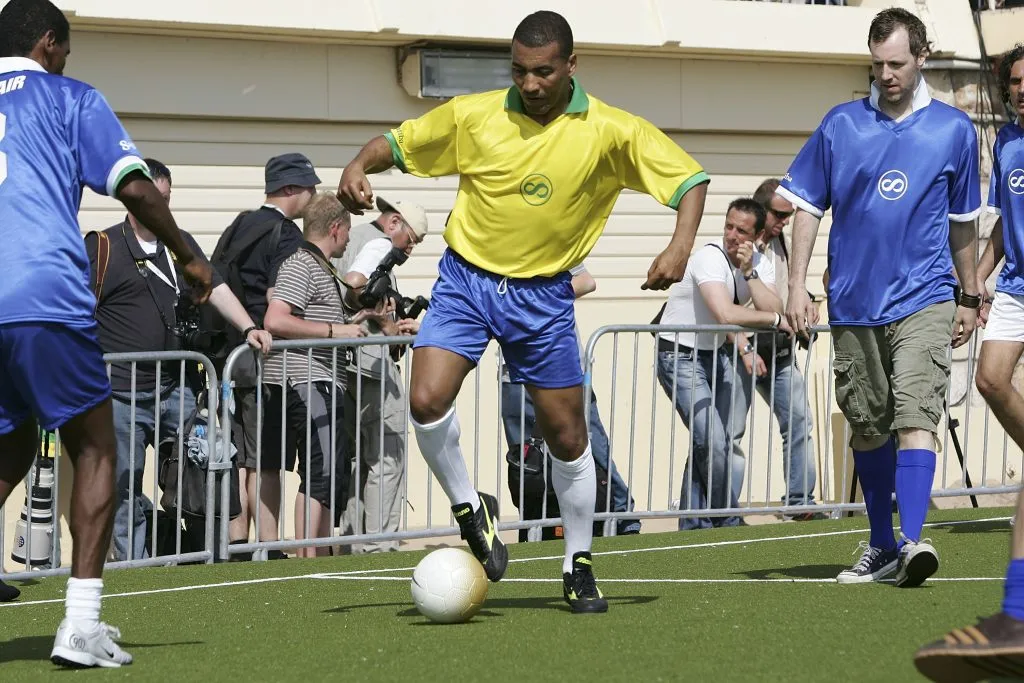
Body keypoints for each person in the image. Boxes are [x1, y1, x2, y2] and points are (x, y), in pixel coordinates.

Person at [337, 10, 709, 613]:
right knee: (426, 399)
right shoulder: (475, 115)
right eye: (519, 71)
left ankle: (578, 562)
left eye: (543, 72)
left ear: (570, 66)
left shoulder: (612, 131)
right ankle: (470, 508)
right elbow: (398, 144)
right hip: (466, 280)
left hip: (542, 297)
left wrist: (679, 246)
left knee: (566, 438)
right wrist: (358, 165)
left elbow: (690, 180)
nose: (530, 84)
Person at [0, 0, 213, 667]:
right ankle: (81, 624)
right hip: (42, 296)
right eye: (66, 50)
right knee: (96, 448)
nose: (67, 60)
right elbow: (137, 190)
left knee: (7, 449)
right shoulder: (68, 97)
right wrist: (189, 254)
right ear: (47, 44)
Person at [782, 8, 982, 587]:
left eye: (897, 63)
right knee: (868, 424)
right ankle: (881, 544)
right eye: (877, 65)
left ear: (922, 57)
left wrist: (969, 295)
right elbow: (806, 208)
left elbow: (963, 223)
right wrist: (796, 286)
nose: (887, 74)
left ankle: (915, 540)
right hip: (852, 299)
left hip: (925, 295)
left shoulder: (953, 131)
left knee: (917, 410)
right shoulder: (840, 124)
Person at [86, 158, 271, 561]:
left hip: (178, 388)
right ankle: (134, 568)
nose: (161, 208)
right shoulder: (103, 246)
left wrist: (247, 327)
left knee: (207, 467)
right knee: (123, 485)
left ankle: (204, 556)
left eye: (166, 200)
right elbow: (76, 314)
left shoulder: (180, 243)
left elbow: (216, 286)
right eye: (154, 200)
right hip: (120, 392)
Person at [913, 43, 1024, 680]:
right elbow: (1004, 226)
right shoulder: (1006, 143)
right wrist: (974, 285)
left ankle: (1016, 615)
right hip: (1016, 283)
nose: (1020, 90)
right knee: (989, 376)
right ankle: (1016, 617)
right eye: (1013, 82)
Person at [656, 198, 785, 529]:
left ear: (757, 236)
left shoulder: (758, 262)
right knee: (711, 439)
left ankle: (692, 524)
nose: (732, 235)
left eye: (741, 230)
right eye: (728, 226)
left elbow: (775, 303)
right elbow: (726, 313)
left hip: (715, 353)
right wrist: (772, 321)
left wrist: (750, 273)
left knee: (713, 441)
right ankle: (727, 517)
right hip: (679, 355)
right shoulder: (708, 257)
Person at [221, 152, 318, 558]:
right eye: (310, 188)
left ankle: (239, 545)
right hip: (266, 361)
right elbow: (279, 298)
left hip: (229, 358)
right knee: (266, 460)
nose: (314, 196)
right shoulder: (286, 236)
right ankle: (271, 546)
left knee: (240, 458)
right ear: (292, 189)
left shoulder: (239, 225)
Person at [500, 263, 641, 536]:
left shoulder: (553, 240)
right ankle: (535, 527)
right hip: (514, 373)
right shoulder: (489, 253)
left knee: (592, 446)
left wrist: (533, 296)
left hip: (563, 369)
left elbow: (586, 281)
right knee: (528, 461)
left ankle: (623, 517)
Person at [262, 192, 365, 558]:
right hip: (307, 380)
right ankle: (308, 557)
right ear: (335, 228)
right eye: (349, 230)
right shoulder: (301, 264)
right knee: (320, 471)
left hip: (321, 380)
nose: (350, 238)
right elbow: (275, 319)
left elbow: (314, 319)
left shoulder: (319, 265)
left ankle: (316, 554)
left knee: (329, 469)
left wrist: (359, 323)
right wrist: (337, 333)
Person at [334, 196, 427, 553]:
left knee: (360, 457)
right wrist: (388, 325)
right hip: (369, 361)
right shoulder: (377, 243)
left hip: (343, 361)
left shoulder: (349, 237)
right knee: (389, 456)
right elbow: (354, 288)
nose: (410, 249)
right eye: (411, 240)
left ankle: (354, 542)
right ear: (393, 223)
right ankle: (378, 545)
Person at [729, 178, 822, 519]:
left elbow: (786, 287)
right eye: (780, 215)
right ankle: (724, 512)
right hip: (744, 349)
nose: (786, 222)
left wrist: (809, 301)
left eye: (789, 216)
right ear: (761, 210)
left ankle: (799, 504)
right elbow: (722, 303)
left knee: (799, 422)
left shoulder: (781, 243)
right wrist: (742, 347)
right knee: (730, 433)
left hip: (780, 351)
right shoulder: (738, 244)